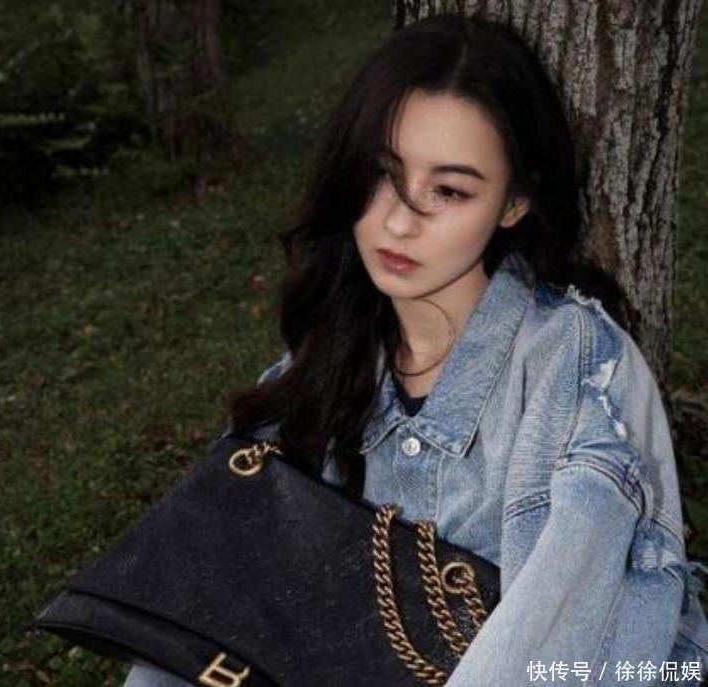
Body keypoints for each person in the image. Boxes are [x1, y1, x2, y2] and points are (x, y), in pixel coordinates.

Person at [123, 13, 708, 687]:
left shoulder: (576, 373)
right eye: (383, 174)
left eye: (449, 190)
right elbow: (201, 616)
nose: (399, 221)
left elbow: (555, 658)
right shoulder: (321, 366)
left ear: (515, 201)